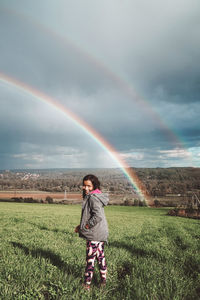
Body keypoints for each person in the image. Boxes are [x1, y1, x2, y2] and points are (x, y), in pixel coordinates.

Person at [75, 174, 109, 290]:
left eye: (89, 186)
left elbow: (97, 216)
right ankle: (103, 282)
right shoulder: (96, 196)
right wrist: (81, 226)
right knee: (100, 258)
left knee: (90, 260)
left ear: (94, 186)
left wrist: (87, 226)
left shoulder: (93, 198)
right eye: (84, 186)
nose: (86, 188)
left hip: (94, 234)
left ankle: (86, 285)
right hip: (100, 233)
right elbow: (91, 216)